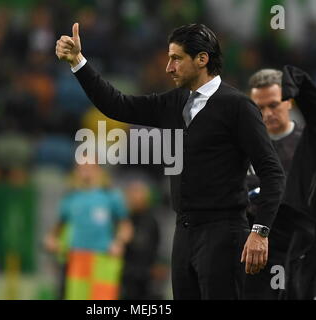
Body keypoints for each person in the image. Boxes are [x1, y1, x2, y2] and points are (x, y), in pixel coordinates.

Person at [55, 23, 285, 300]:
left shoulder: (238, 107)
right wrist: (79, 62)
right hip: (184, 233)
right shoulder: (174, 103)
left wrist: (260, 231)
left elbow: (273, 173)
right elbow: (117, 104)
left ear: (202, 59)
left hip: (223, 232)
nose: (169, 67)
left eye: (176, 58)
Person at [245, 67, 316, 300]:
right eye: (259, 107)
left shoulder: (308, 146)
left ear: (288, 102)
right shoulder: (241, 149)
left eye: (273, 104)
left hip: (299, 249)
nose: (267, 113)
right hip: (255, 253)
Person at [45, 163, 132, 300]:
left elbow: (126, 226)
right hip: (77, 256)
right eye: (81, 168)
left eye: (90, 167)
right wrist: (51, 239)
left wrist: (119, 243)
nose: (85, 171)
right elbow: (57, 228)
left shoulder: (111, 196)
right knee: (77, 296)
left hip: (104, 257)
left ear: (99, 170)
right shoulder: (70, 198)